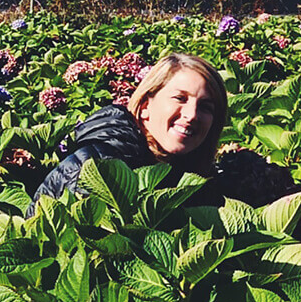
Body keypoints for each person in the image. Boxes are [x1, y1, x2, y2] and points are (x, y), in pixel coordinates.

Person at [28, 53, 227, 213]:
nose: (192, 115)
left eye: (206, 107)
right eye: (180, 98)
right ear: (145, 106)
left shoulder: (192, 178)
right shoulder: (100, 165)